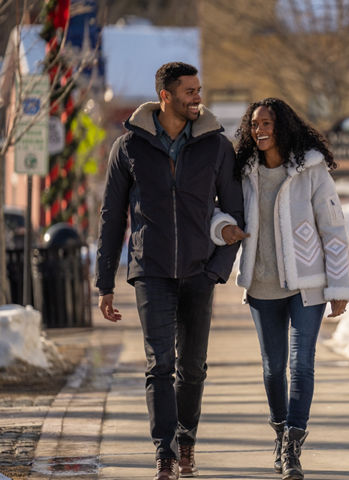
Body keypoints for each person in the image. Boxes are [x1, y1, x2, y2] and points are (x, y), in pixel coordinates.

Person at [96, 62, 244, 480]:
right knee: (159, 364)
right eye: (189, 91)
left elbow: (235, 213)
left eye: (199, 90)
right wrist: (105, 281)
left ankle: (187, 440)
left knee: (192, 367)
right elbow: (112, 216)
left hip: (200, 272)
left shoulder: (217, 147)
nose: (198, 97)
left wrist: (218, 270)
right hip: (152, 270)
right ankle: (164, 452)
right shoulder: (129, 147)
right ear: (166, 96)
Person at [210, 97, 349, 480]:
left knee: (301, 363)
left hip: (307, 285)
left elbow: (333, 228)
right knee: (273, 369)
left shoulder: (310, 169)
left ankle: (292, 443)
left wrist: (339, 284)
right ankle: (279, 431)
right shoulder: (245, 171)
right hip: (261, 285)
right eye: (255, 124)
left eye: (268, 123)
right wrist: (223, 226)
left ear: (283, 126)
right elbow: (219, 209)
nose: (261, 129)